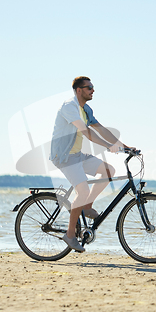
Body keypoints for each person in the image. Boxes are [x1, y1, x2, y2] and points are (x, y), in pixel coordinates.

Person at [50, 76, 134, 252]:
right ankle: (70, 235)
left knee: (108, 170)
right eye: (89, 87)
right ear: (79, 90)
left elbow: (101, 129)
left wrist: (125, 147)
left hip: (77, 155)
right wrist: (108, 146)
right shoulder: (69, 107)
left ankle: (87, 206)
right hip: (64, 157)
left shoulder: (85, 109)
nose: (92, 90)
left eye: (93, 87)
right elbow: (87, 133)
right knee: (83, 191)